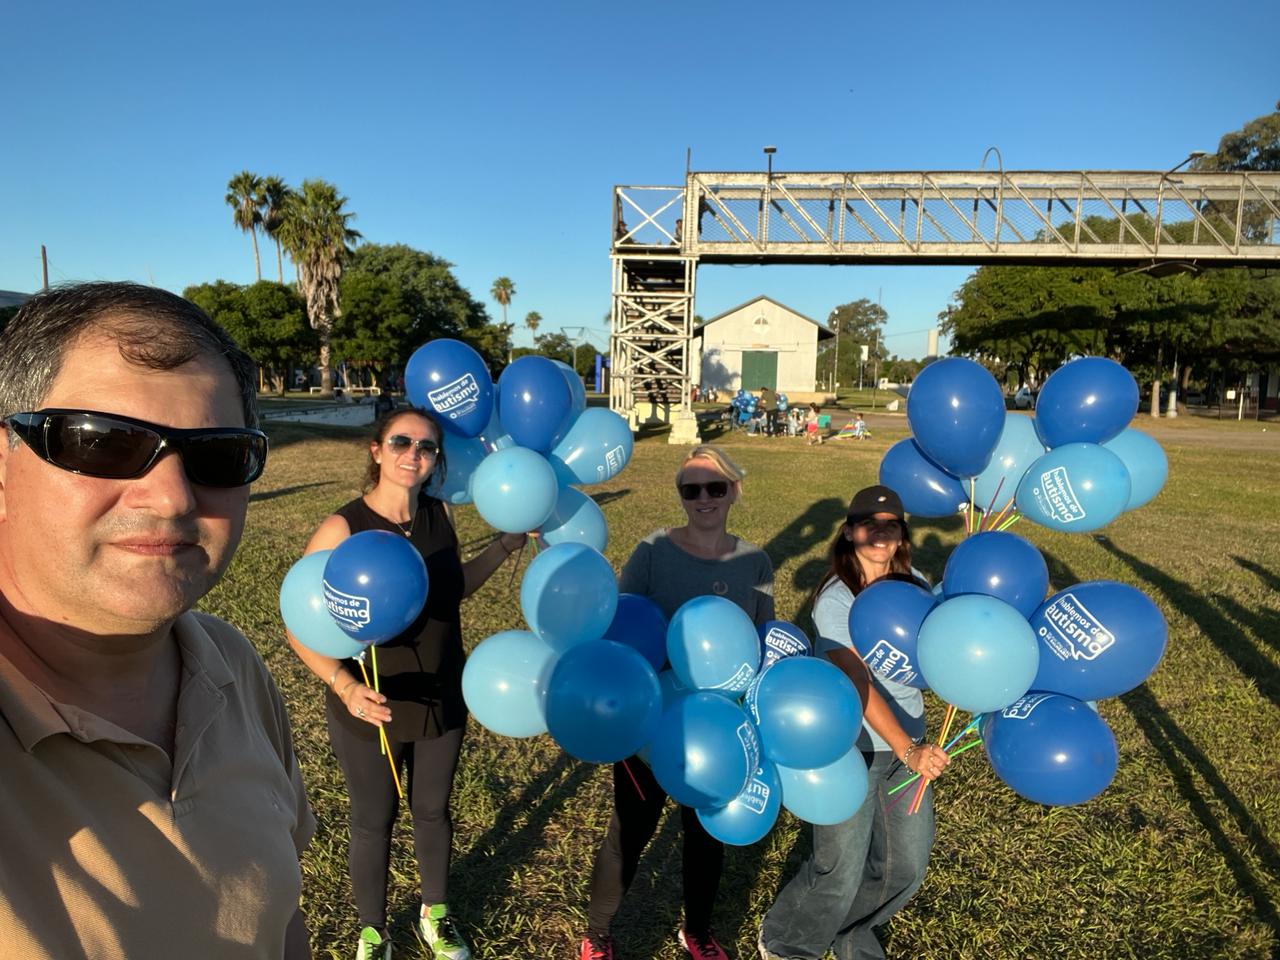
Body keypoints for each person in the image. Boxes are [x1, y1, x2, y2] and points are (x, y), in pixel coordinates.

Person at [0, 282, 313, 959]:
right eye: (104, 443)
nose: (172, 496)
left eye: (217, 455)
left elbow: (279, 918)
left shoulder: (232, 666)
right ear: (3, 462)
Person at [285, 406, 526, 960]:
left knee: (434, 811)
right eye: (401, 441)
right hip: (372, 701)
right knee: (374, 820)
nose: (413, 453)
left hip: (443, 690)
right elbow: (303, 623)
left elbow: (451, 588)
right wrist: (344, 685)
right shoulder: (342, 528)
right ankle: (373, 929)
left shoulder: (439, 516)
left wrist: (504, 546)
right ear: (376, 450)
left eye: (427, 446)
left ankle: (434, 915)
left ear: (437, 461)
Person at [581, 445, 775, 960]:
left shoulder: (755, 561)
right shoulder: (651, 552)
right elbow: (621, 630)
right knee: (630, 830)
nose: (704, 499)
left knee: (705, 834)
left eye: (715, 487)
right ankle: (597, 936)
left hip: (716, 724)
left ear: (735, 489)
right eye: (691, 489)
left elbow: (760, 642)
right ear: (681, 497)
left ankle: (699, 933)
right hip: (648, 723)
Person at [757, 485, 950, 960]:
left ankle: (850, 933)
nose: (881, 534)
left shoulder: (915, 584)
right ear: (849, 532)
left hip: (910, 741)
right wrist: (909, 750)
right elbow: (857, 687)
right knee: (838, 868)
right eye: (869, 524)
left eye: (891, 525)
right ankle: (786, 943)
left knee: (905, 866)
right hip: (855, 748)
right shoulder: (836, 600)